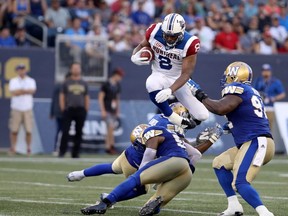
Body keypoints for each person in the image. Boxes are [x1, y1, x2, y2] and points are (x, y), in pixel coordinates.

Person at [79, 104, 222, 215]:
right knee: (151, 205)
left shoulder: (151, 132)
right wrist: (210, 141)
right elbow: (196, 154)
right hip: (186, 173)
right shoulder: (174, 135)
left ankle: (105, 203)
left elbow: (147, 157)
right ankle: (156, 205)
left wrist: (141, 176)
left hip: (173, 161)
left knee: (136, 178)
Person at [188, 61, 275, 216]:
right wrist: (228, 127)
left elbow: (220, 108)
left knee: (240, 183)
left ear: (234, 75)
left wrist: (199, 94)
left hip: (256, 141)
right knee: (219, 163)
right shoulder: (250, 91)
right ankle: (234, 206)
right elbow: (249, 117)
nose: (225, 79)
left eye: (228, 75)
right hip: (256, 141)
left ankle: (265, 213)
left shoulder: (238, 88)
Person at [130, 13, 209, 130]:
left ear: (181, 33)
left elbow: (186, 73)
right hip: (159, 74)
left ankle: (182, 127)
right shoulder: (154, 31)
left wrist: (170, 90)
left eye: (173, 36)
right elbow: (141, 46)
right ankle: (172, 116)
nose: (169, 39)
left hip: (178, 79)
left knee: (202, 115)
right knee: (151, 83)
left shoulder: (190, 43)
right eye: (166, 35)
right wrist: (134, 56)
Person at [59, 62, 90, 158]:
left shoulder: (84, 83)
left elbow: (86, 96)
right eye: (74, 68)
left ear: (80, 70)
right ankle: (62, 152)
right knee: (65, 131)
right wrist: (63, 108)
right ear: (71, 70)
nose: (76, 70)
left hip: (80, 110)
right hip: (69, 109)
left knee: (79, 131)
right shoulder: (66, 82)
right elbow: (62, 95)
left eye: (77, 68)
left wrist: (86, 109)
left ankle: (75, 153)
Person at [8, 63, 36, 156]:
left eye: (23, 69)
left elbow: (32, 90)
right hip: (16, 108)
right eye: (20, 69)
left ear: (25, 70)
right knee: (14, 130)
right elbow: (13, 92)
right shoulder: (13, 80)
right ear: (17, 70)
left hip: (27, 108)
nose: (22, 71)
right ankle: (13, 148)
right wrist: (25, 91)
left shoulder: (31, 80)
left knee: (28, 130)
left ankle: (28, 149)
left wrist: (20, 91)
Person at [98, 68, 124, 155]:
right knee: (110, 127)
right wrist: (103, 110)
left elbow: (117, 98)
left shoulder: (117, 85)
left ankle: (110, 146)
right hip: (107, 108)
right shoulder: (106, 84)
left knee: (111, 128)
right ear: (115, 75)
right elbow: (101, 97)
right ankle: (109, 146)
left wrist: (117, 109)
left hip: (113, 109)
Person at [253, 63, 286, 130]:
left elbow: (282, 94)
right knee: (257, 127)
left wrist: (273, 98)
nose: (266, 72)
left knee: (268, 127)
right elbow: (253, 91)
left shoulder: (275, 82)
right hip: (259, 107)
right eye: (264, 71)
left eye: (267, 71)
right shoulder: (258, 81)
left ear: (270, 72)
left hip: (269, 107)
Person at [50, 72, 70, 155]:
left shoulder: (68, 87)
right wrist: (52, 112)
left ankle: (63, 148)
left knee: (65, 131)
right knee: (60, 130)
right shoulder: (60, 86)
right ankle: (56, 148)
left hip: (67, 112)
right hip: (60, 112)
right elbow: (54, 100)